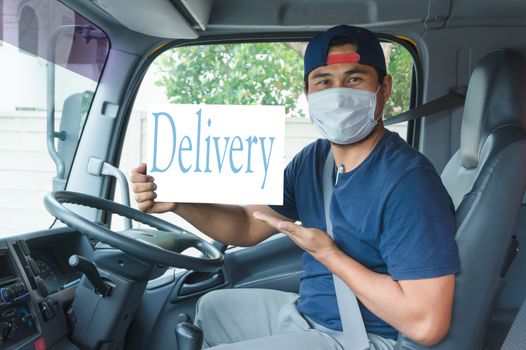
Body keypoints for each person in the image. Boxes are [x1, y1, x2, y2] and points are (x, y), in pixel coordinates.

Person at [130, 25, 460, 350]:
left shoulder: (409, 182)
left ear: (384, 88)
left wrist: (329, 255)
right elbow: (247, 224)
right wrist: (180, 203)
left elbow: (426, 324)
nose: (339, 94)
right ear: (307, 93)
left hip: (369, 338)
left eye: (355, 79)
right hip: (310, 315)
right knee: (211, 308)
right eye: (324, 81)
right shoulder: (314, 159)